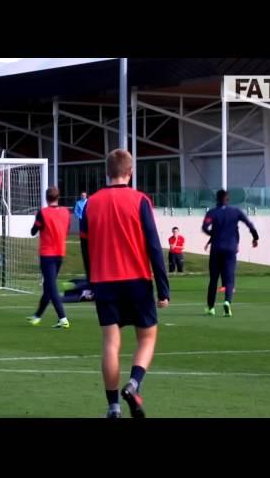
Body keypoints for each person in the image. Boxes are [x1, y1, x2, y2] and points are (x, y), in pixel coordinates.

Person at [80, 149, 169, 419]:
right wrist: (164, 288)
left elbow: (86, 248)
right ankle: (133, 384)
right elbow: (153, 246)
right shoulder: (140, 200)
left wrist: (91, 282)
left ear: (107, 172)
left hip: (104, 281)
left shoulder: (91, 203)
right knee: (147, 337)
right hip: (137, 280)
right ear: (130, 173)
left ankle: (113, 407)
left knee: (110, 343)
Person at [202, 190, 258, 317]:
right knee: (229, 277)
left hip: (216, 249)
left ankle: (211, 308)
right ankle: (227, 301)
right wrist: (255, 237)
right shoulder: (235, 211)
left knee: (214, 279)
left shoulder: (212, 212)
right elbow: (250, 225)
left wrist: (213, 234)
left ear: (217, 199)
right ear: (228, 199)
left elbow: (205, 227)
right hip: (230, 249)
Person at [28, 186, 71, 329]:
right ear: (58, 197)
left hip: (47, 254)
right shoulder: (66, 212)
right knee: (48, 286)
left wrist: (37, 220)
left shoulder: (43, 213)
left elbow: (33, 231)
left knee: (51, 286)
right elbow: (67, 230)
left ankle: (62, 317)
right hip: (60, 253)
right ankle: (37, 316)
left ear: (46, 198)